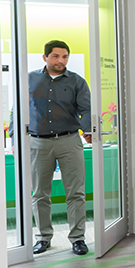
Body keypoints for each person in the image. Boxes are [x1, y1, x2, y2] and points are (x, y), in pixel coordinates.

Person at [28, 40, 92, 255]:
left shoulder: (76, 81)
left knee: (76, 192)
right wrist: (14, 137)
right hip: (38, 142)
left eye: (65, 57)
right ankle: (43, 238)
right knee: (39, 193)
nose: (61, 61)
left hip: (69, 141)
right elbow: (17, 108)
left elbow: (86, 108)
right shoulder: (29, 79)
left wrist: (89, 132)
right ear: (45, 57)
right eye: (56, 56)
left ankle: (78, 238)